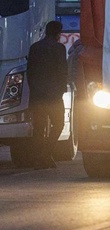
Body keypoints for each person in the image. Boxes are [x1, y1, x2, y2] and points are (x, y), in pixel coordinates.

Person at [27, 21, 68, 169]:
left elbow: (29, 72)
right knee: (59, 124)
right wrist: (62, 89)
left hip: (37, 95)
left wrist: (34, 90)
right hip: (53, 95)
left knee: (39, 128)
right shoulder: (59, 48)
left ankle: (39, 158)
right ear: (58, 33)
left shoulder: (35, 48)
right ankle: (46, 154)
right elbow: (62, 71)